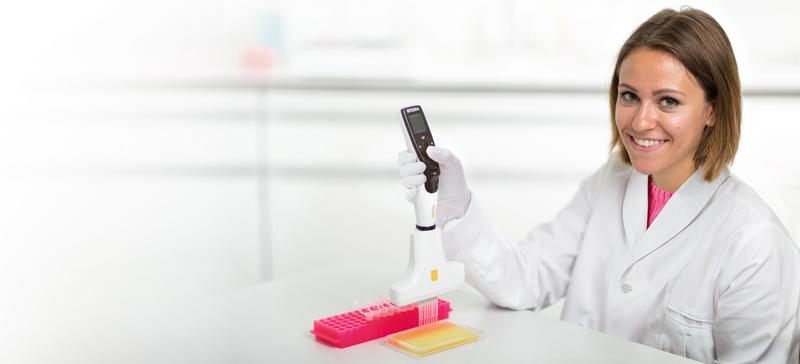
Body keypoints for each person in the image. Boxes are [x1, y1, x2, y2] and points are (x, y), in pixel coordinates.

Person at [398, 7, 800, 364]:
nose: (641, 121)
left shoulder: (755, 245)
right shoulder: (609, 183)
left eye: (668, 101)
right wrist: (456, 206)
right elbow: (523, 280)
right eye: (629, 96)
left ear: (713, 109)